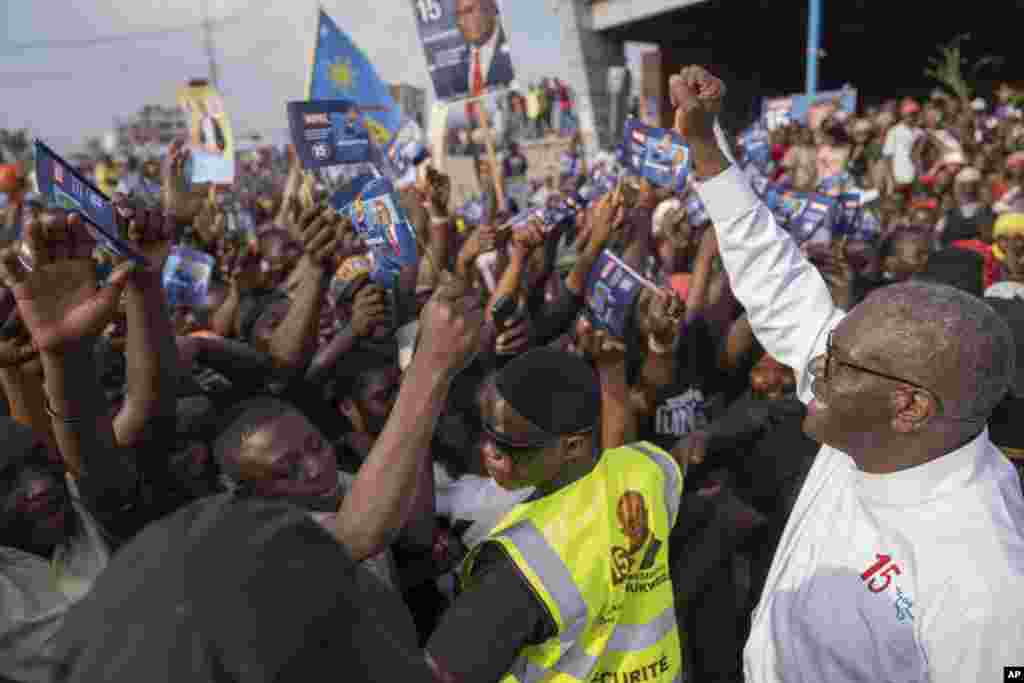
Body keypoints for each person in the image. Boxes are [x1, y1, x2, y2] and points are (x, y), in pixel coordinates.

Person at [671, 64, 1024, 683]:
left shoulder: (987, 584)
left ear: (910, 406)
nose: (812, 367)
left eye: (835, 362)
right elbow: (775, 280)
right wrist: (705, 144)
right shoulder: (870, 413)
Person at [426, 347, 690, 683]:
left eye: (512, 445)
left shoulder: (520, 563)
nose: (490, 451)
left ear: (572, 446)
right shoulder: (649, 469)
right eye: (488, 434)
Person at [448, 0, 514, 101]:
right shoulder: (458, 66)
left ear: (491, 8)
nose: (462, 22)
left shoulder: (512, 43)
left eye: (469, 11)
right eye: (458, 15)